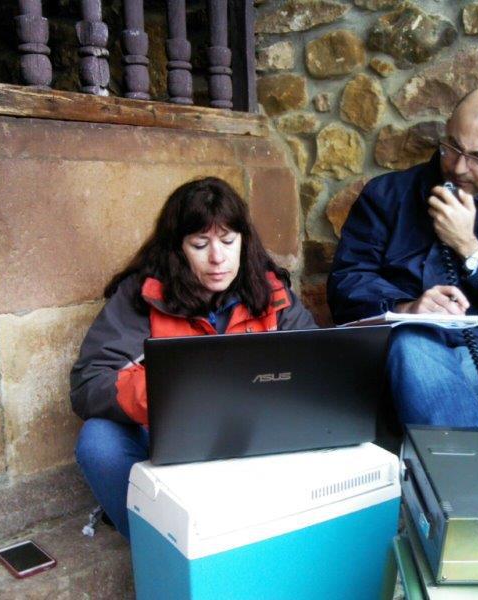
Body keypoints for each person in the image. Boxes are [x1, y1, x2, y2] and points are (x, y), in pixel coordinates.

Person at [70, 177, 317, 538]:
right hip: (171, 442)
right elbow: (89, 382)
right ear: (177, 248)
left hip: (256, 440)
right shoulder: (143, 295)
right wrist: (168, 393)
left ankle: (261, 531)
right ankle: (158, 548)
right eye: (200, 244)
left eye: (228, 241)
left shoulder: (271, 292)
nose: (217, 257)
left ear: (244, 242)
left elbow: (314, 366)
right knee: (98, 441)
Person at [328, 87, 478, 429]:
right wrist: (406, 308)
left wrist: (470, 249)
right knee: (410, 347)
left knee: (427, 387)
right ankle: (468, 464)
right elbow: (345, 283)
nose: (459, 167)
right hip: (394, 343)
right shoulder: (388, 194)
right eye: (453, 148)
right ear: (446, 130)